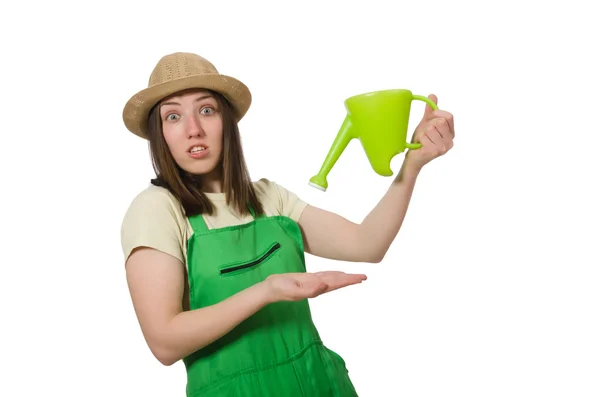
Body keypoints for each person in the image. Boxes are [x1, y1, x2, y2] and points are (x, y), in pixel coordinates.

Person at [120, 52, 455, 396]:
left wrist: (411, 166)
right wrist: (267, 291)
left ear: (227, 122)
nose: (194, 129)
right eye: (173, 116)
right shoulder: (157, 210)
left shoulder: (268, 198)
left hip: (319, 383)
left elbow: (366, 244)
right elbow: (164, 342)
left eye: (207, 110)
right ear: (159, 133)